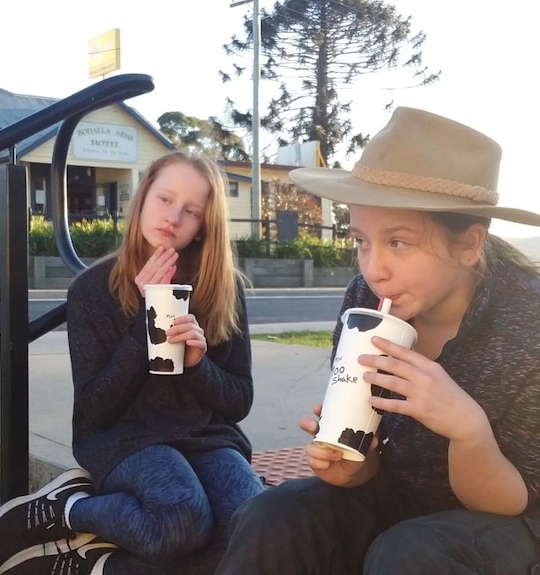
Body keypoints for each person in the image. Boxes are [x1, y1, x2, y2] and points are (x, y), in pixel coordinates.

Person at [216, 106, 540, 574]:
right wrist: (354, 467)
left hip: (512, 520)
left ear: (469, 244)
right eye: (363, 241)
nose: (374, 269)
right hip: (403, 493)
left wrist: (467, 429)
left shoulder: (527, 324)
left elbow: (509, 504)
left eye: (399, 242)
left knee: (411, 554)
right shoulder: (366, 300)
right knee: (274, 519)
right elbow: (374, 451)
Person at [0, 150, 265, 574]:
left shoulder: (221, 288)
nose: (173, 217)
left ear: (206, 225)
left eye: (191, 210)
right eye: (165, 199)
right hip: (124, 438)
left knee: (252, 530)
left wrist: (197, 365)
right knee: (183, 522)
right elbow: (94, 408)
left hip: (207, 438)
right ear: (143, 196)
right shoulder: (93, 289)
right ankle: (69, 511)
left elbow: (238, 401)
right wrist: (141, 322)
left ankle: (91, 565)